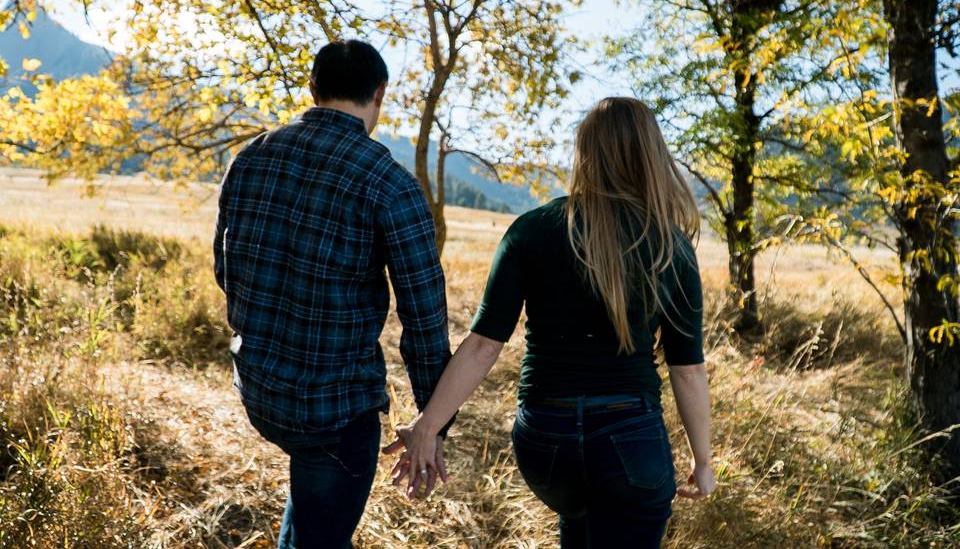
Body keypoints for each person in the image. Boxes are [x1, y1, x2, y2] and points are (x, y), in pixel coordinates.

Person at [384, 97, 716, 548]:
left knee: (579, 522)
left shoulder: (531, 230)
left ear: (584, 152)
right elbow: (687, 368)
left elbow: (484, 343)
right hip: (630, 441)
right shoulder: (667, 245)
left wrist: (428, 427)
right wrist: (703, 460)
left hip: (546, 444)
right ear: (652, 154)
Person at [214, 40, 454, 549]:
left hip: (258, 389)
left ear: (313, 88)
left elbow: (224, 269)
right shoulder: (391, 184)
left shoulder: (249, 158)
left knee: (312, 509)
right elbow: (425, 320)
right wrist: (435, 423)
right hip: (334, 411)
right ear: (379, 94)